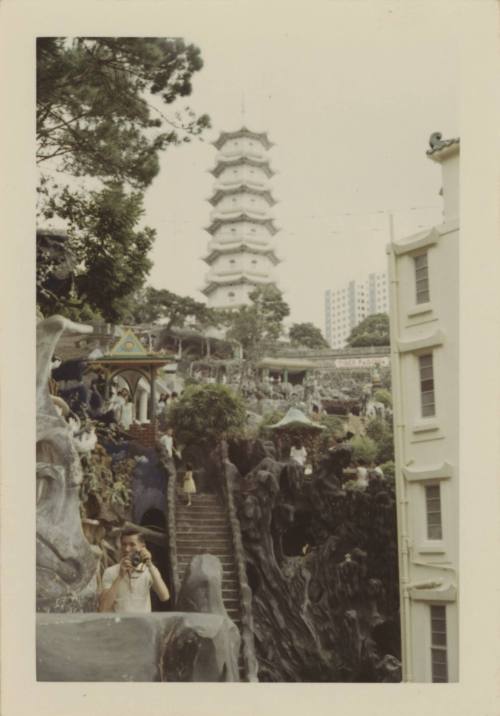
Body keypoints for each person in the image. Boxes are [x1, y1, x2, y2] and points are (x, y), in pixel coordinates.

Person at [99, 528, 170, 613]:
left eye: (132, 545)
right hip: (119, 625)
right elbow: (103, 608)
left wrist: (150, 565)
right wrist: (120, 576)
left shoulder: (149, 570)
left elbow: (164, 597)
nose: (127, 549)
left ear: (142, 547)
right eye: (124, 544)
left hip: (142, 624)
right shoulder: (110, 572)